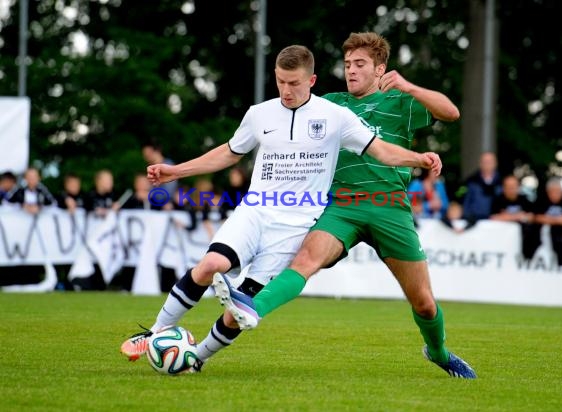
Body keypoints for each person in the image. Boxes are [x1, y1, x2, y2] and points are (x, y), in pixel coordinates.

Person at [120, 44, 441, 373]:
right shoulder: (259, 113)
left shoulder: (336, 116)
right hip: (255, 211)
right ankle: (154, 331)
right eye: (280, 82)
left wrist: (419, 159)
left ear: (312, 80)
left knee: (240, 310)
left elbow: (383, 151)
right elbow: (229, 152)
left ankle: (197, 359)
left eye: (294, 83)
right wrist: (177, 171)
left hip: (296, 226)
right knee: (209, 265)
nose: (286, 91)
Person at [215, 33, 476, 379]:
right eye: (348, 64)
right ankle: (252, 307)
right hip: (341, 206)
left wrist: (408, 86)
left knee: (424, 303)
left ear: (380, 69)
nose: (351, 70)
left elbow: (452, 112)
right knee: (305, 260)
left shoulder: (398, 100)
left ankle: (439, 352)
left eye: (360, 64)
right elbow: (288, 118)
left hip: (390, 208)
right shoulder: (331, 104)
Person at [490, 175, 539, 260]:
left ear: (518, 187)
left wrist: (507, 216)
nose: (511, 189)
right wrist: (518, 216)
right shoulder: (498, 200)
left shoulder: (524, 200)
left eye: (513, 186)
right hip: (501, 241)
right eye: (508, 186)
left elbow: (532, 217)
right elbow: (493, 217)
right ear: (503, 187)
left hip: (524, 241)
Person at [533, 177, 562, 268]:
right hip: (543, 241)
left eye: (559, 191)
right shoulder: (541, 201)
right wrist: (559, 220)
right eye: (553, 191)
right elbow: (536, 217)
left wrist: (550, 219)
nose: (556, 194)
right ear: (548, 191)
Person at [462, 152, 502, 221]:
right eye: (485, 161)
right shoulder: (470, 181)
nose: (487, 164)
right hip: (474, 220)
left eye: (490, 161)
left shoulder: (503, 181)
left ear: (496, 163)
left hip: (497, 221)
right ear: (480, 163)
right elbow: (463, 199)